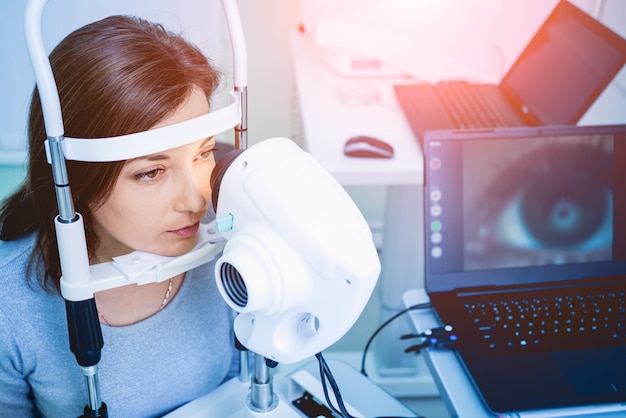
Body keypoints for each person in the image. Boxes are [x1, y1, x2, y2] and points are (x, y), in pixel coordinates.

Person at [0, 15, 239, 417]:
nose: (196, 200)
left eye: (203, 153)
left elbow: (240, 381)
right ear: (77, 178)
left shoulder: (228, 240)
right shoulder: (11, 308)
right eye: (151, 172)